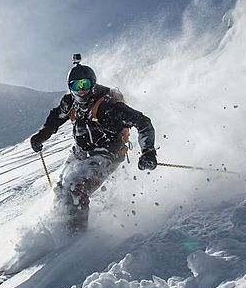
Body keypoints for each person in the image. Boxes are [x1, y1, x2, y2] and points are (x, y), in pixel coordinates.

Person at [30, 56, 158, 233]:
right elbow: (55, 119)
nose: (81, 90)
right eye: (76, 86)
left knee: (77, 187)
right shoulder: (70, 103)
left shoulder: (108, 106)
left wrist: (148, 152)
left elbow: (143, 123)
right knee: (61, 188)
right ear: (70, 87)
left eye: (85, 85)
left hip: (107, 153)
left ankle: (75, 235)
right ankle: (58, 224)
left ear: (93, 84)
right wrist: (41, 136)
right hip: (80, 151)